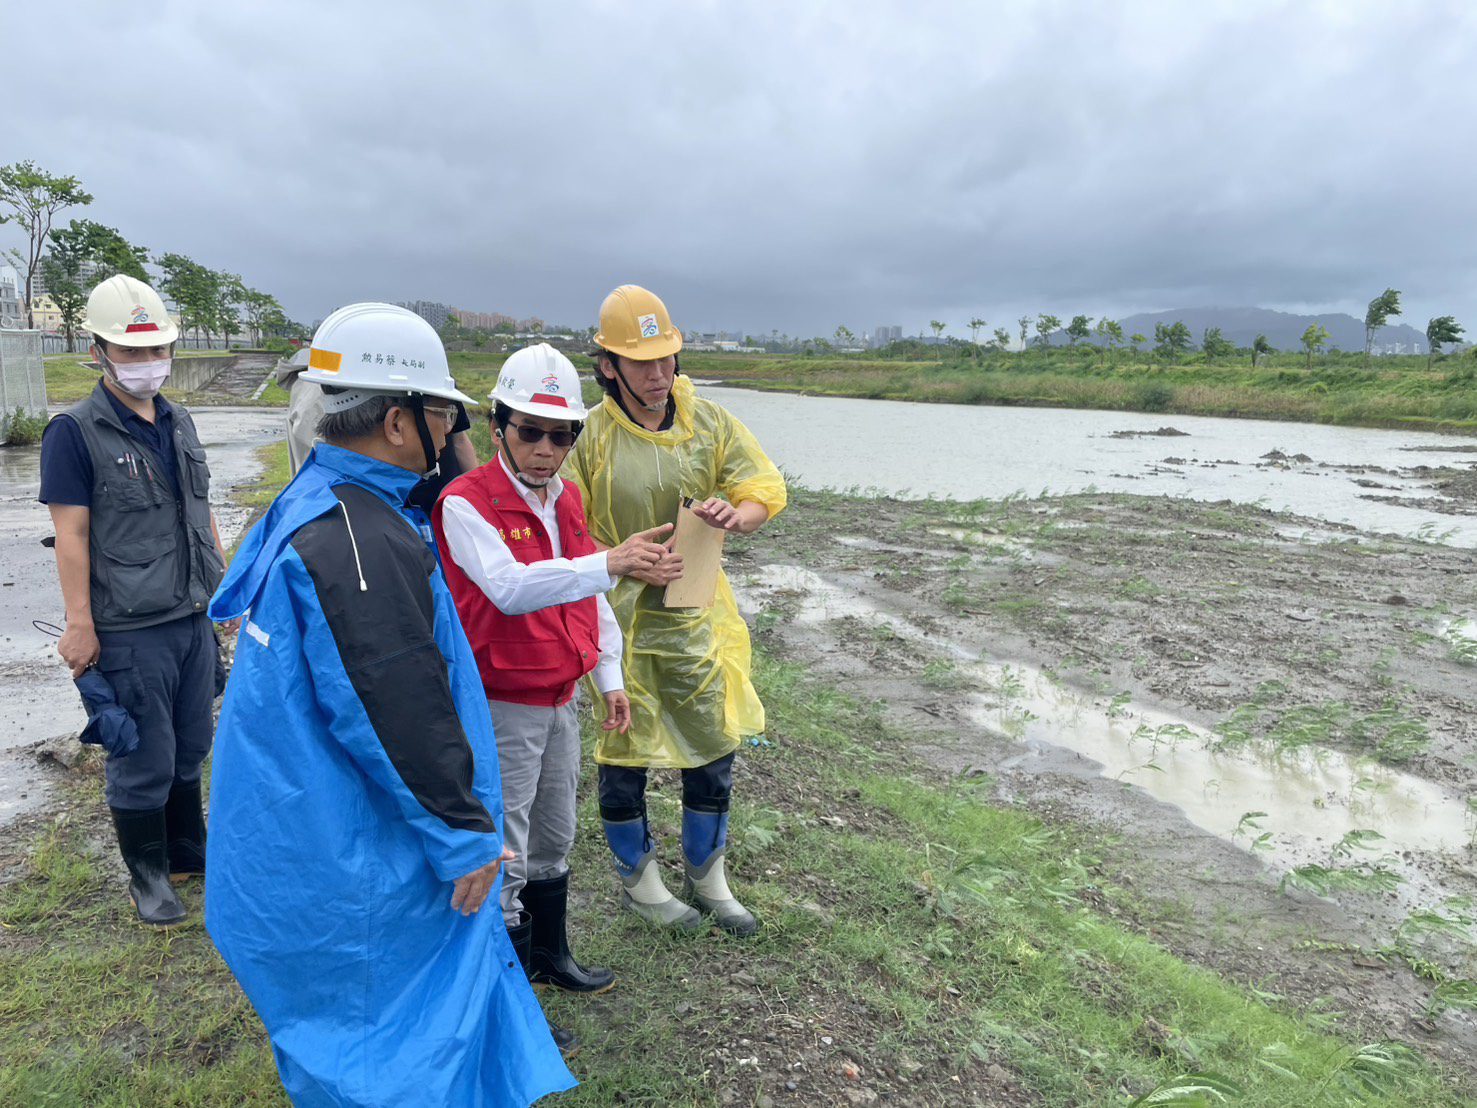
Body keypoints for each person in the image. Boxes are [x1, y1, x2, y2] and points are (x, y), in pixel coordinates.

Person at [205, 303, 574, 1106]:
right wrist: (462, 834)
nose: (451, 433)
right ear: (401, 422)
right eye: (444, 414)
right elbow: (392, 702)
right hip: (341, 838)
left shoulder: (323, 503)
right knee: (388, 1033)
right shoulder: (358, 542)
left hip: (294, 821)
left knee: (340, 1031)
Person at [433, 343, 673, 1001]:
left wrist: (611, 674)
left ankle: (549, 956)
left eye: (561, 435)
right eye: (529, 431)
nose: (545, 448)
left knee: (554, 833)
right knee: (504, 841)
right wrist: (611, 563)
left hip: (558, 694)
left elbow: (586, 592)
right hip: (502, 699)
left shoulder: (563, 500)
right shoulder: (465, 502)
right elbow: (509, 588)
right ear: (496, 426)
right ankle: (506, 994)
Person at [566, 285, 787, 936]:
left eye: (667, 359)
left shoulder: (708, 423)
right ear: (609, 366)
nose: (659, 375)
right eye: (642, 363)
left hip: (694, 612)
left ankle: (708, 877)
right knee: (624, 748)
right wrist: (620, 559)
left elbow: (760, 489)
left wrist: (734, 515)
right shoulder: (588, 437)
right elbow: (561, 527)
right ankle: (642, 886)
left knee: (711, 742)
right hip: (619, 619)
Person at [38, 274, 232, 927]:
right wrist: (80, 626)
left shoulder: (180, 422)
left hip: (190, 615)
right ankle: (147, 876)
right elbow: (72, 535)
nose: (148, 364)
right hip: (128, 627)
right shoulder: (75, 431)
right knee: (142, 754)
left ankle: (186, 853)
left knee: (190, 741)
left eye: (156, 351)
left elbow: (200, 516)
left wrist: (222, 587)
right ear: (98, 350)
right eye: (132, 352)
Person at [279, 343, 479, 488]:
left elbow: (460, 440)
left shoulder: (316, 494)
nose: (447, 429)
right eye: (444, 415)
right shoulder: (362, 526)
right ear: (395, 425)